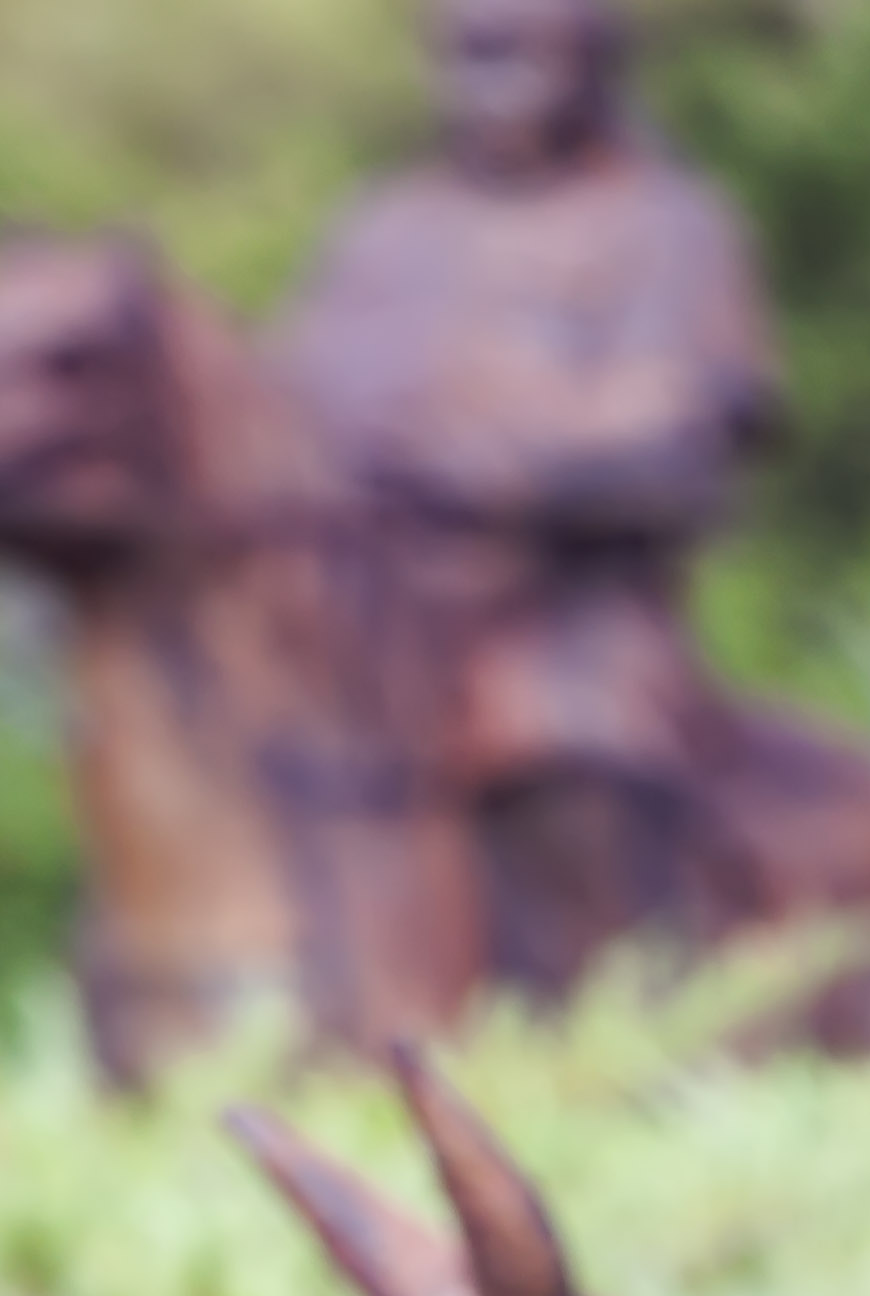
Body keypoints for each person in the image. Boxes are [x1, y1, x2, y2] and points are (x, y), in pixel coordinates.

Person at [275, 0, 777, 999]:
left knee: (568, 748)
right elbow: (286, 407)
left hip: (568, 618)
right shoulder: (387, 228)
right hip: (369, 615)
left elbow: (682, 441)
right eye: (465, 55)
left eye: (517, 54)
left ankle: (614, 1029)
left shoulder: (666, 223)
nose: (485, 84)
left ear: (591, 64)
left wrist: (489, 463)